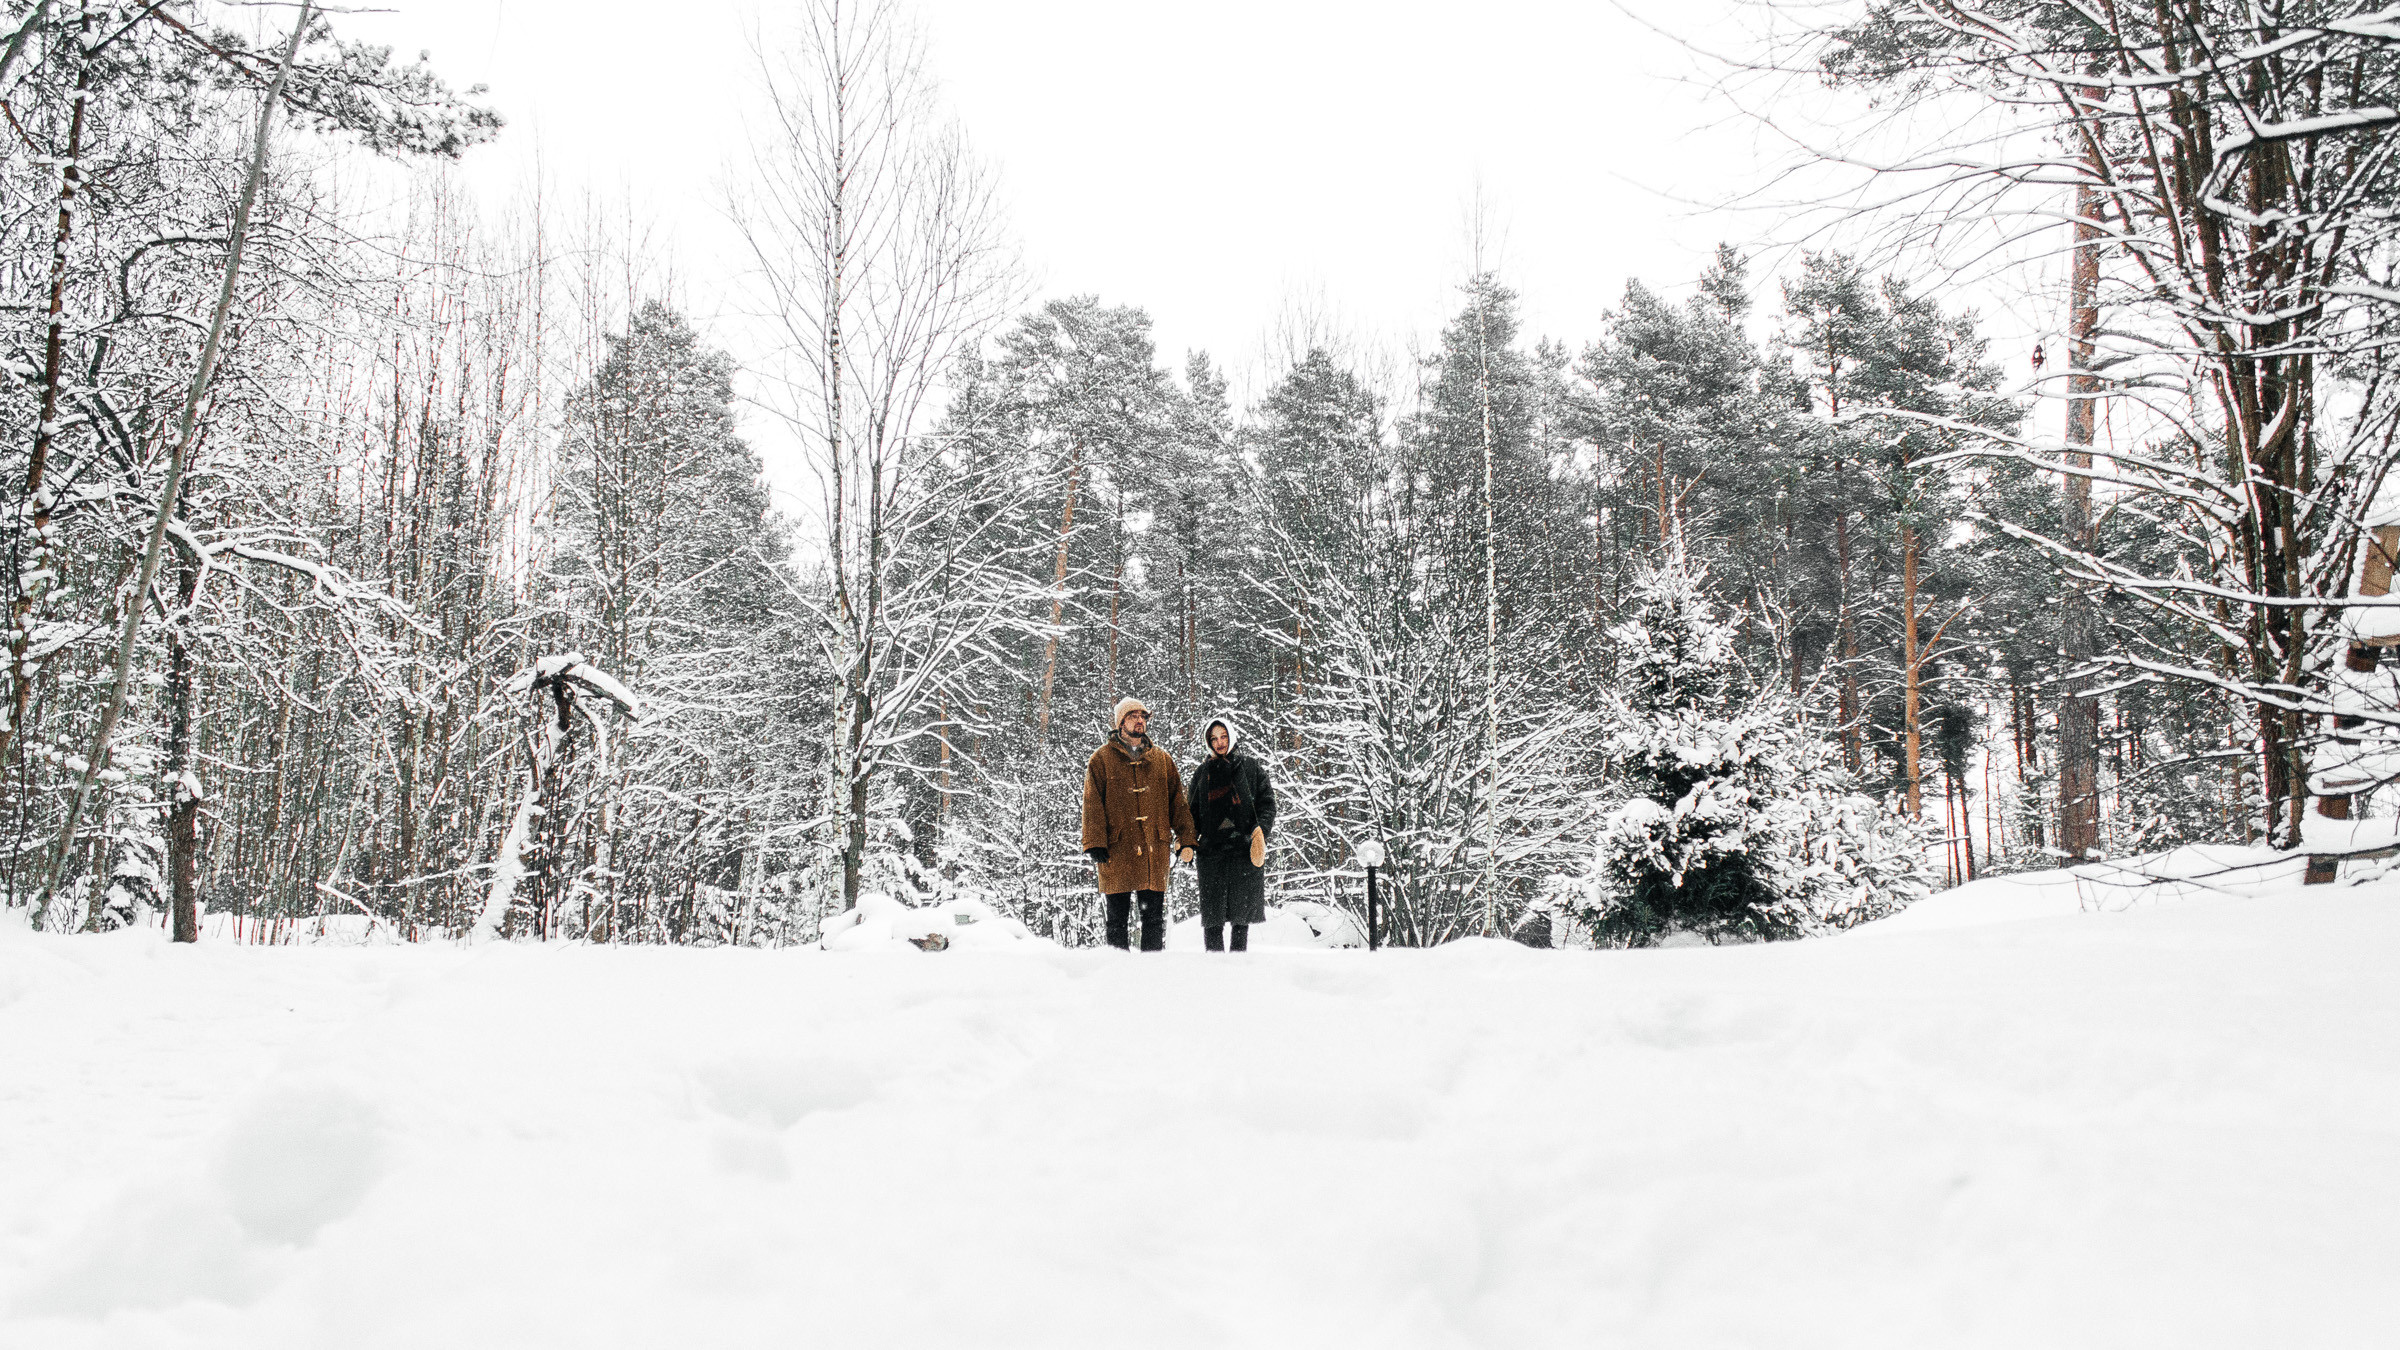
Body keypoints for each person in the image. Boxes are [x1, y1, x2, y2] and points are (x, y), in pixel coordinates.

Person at [1080, 697, 1195, 951]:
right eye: (1133, 716)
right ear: (1121, 722)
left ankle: (1151, 975)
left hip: (1154, 848)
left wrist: (1187, 838)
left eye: (1143, 716)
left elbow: (1178, 802)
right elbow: (1091, 803)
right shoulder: (1101, 760)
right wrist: (1095, 842)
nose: (1139, 721)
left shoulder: (1162, 760)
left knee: (1153, 920)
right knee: (1117, 921)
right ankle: (1117, 974)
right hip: (1117, 849)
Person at [1187, 713, 1275, 952]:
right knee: (1213, 920)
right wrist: (1186, 841)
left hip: (1243, 850)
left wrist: (1260, 832)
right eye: (1213, 738)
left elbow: (1267, 803)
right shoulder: (1202, 773)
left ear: (1232, 736)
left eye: (1223, 736)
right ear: (1208, 742)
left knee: (1240, 918)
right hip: (1211, 853)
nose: (1220, 742)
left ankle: (1239, 970)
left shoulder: (1250, 768)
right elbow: (1190, 813)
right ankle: (1214, 972)